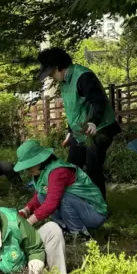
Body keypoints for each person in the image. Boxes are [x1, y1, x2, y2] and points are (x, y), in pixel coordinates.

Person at [37, 48, 121, 198]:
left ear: (58, 68)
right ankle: (77, 201)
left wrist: (93, 122)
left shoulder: (83, 76)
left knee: (93, 167)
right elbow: (74, 109)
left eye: (51, 73)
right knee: (72, 166)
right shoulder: (64, 82)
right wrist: (70, 132)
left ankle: (99, 208)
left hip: (100, 128)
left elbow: (98, 102)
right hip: (80, 131)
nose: (51, 77)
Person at [14, 138, 108, 238]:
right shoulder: (40, 173)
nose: (27, 170)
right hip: (81, 208)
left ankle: (80, 234)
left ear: (39, 160)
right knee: (43, 195)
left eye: (29, 166)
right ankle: (66, 229)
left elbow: (51, 203)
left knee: (63, 197)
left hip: (94, 213)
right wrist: (26, 210)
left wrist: (28, 222)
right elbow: (38, 197)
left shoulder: (58, 172)